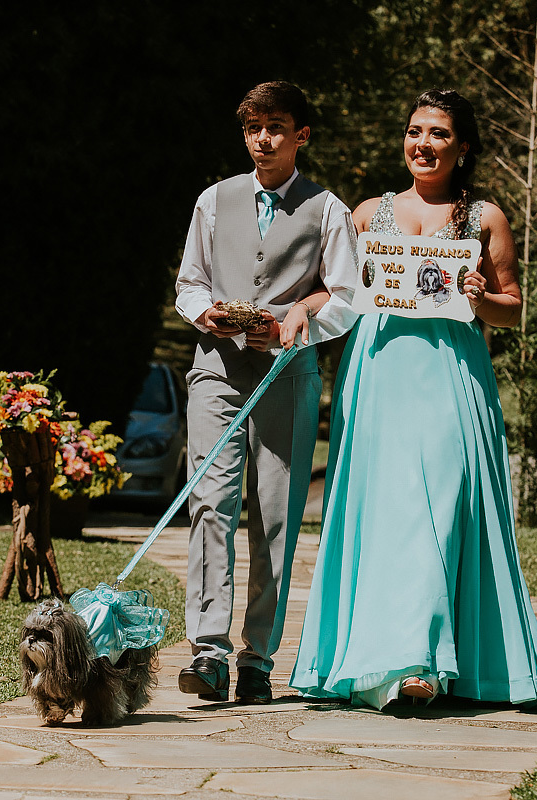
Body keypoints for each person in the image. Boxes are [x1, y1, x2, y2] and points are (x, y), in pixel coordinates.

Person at [286, 89, 537, 711]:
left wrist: (480, 299)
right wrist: (304, 309)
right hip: (379, 374)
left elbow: (513, 310)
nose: (424, 144)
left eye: (439, 134)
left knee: (439, 510)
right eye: (415, 131)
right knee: (385, 515)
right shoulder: (366, 214)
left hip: (450, 377)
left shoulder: (485, 216)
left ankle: (426, 660)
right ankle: (387, 663)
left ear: (462, 148)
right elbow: (335, 294)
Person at [174, 81, 357, 704]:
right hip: (216, 372)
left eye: (276, 127)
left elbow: (345, 296)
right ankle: (208, 652)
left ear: (301, 134)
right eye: (254, 128)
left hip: (287, 377)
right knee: (209, 503)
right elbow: (189, 281)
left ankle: (257, 658)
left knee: (274, 516)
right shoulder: (213, 200)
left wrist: (291, 328)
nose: (263, 139)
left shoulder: (328, 209)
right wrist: (210, 316)